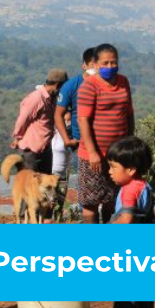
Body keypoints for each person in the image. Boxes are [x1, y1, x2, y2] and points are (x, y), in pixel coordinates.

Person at [105, 136, 155, 308]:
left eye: (113, 167)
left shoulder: (128, 190)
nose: (109, 171)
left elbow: (126, 220)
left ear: (131, 169)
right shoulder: (144, 186)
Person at [77, 44, 134, 224]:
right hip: (93, 156)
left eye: (113, 62)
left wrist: (129, 143)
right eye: (105, 63)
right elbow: (83, 120)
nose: (110, 66)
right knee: (91, 202)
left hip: (117, 154)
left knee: (112, 199)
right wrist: (92, 152)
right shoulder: (89, 86)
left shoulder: (123, 82)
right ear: (95, 64)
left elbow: (129, 114)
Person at [53, 47, 96, 221]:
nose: (96, 68)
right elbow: (58, 114)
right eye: (93, 64)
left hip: (103, 142)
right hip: (80, 143)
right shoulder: (72, 86)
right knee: (84, 184)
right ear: (84, 65)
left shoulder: (106, 84)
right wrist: (67, 139)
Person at [10, 69, 68, 174]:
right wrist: (17, 137)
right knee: (30, 181)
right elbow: (23, 119)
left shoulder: (51, 99)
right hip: (31, 150)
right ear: (57, 85)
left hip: (45, 148)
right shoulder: (36, 98)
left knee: (45, 181)